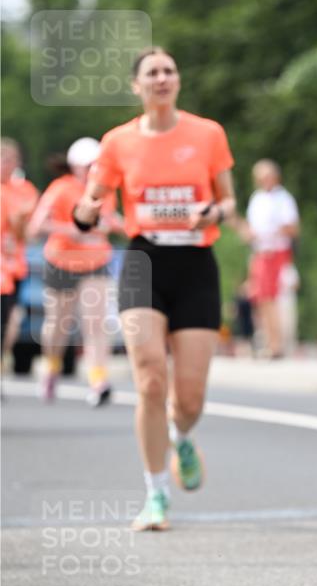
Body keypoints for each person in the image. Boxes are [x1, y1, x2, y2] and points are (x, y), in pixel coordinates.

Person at [73, 48, 236, 532]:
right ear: (137, 86)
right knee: (148, 377)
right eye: (152, 73)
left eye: (169, 71)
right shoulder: (118, 142)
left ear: (177, 82)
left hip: (195, 264)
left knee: (189, 397)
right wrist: (85, 211)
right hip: (144, 260)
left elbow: (228, 200)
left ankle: (180, 436)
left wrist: (216, 213)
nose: (162, 78)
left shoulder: (207, 134)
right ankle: (155, 496)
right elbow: (93, 199)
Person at [28, 138, 121, 404]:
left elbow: (108, 221)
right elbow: (37, 226)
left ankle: (98, 380)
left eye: (97, 164)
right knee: (59, 323)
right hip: (62, 261)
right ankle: (51, 367)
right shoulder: (60, 189)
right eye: (88, 165)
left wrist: (115, 226)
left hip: (95, 262)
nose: (93, 169)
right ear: (75, 167)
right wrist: (72, 231)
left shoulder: (106, 190)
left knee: (95, 321)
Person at [241, 159, 299, 358]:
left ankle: (278, 344)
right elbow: (250, 228)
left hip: (277, 253)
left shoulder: (283, 199)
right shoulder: (256, 199)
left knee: (275, 298)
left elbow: (292, 228)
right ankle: (269, 340)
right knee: (261, 299)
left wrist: (270, 231)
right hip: (261, 253)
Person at [0, 139, 39, 366]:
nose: (6, 165)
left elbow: (28, 234)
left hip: (13, 267)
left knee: (11, 319)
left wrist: (18, 222)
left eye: (10, 160)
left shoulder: (25, 190)